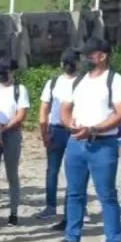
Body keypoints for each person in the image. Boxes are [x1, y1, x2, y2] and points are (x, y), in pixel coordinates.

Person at [53, 37, 121, 242]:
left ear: (103, 56)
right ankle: (72, 237)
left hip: (103, 145)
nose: (85, 58)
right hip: (76, 144)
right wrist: (70, 125)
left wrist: (94, 129)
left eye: (90, 54)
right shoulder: (79, 81)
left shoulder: (115, 81)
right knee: (74, 193)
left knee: (107, 195)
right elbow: (65, 109)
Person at [37, 49, 81, 226]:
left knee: (74, 172)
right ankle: (50, 206)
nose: (69, 65)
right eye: (67, 61)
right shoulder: (53, 83)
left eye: (72, 61)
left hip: (75, 131)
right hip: (55, 130)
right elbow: (44, 108)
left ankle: (72, 209)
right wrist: (44, 132)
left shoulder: (84, 82)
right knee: (52, 170)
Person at [0, 58, 30, 226]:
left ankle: (13, 212)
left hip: (11, 134)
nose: (2, 76)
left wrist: (4, 128)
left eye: (5, 73)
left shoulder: (19, 90)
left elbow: (21, 115)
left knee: (12, 175)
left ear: (12, 72)